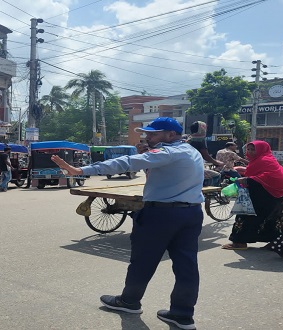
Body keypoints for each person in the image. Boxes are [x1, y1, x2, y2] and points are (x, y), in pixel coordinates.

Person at [52, 117, 204, 330]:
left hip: (161, 215)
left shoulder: (168, 152)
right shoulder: (190, 151)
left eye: (154, 133)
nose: (148, 136)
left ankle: (129, 302)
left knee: (143, 261)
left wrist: (81, 171)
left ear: (171, 135)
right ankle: (183, 314)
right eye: (147, 133)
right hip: (191, 214)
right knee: (187, 265)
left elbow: (126, 162)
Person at [222, 141, 283, 250]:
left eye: (253, 149)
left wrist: (249, 179)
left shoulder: (264, 160)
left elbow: (269, 175)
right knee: (274, 217)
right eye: (249, 149)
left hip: (266, 193)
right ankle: (276, 241)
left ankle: (240, 242)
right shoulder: (266, 159)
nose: (250, 152)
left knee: (246, 215)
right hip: (273, 194)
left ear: (262, 150)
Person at [186, 121, 224, 187]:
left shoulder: (189, 138)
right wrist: (217, 163)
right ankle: (205, 192)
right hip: (194, 168)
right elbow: (206, 156)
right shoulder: (200, 140)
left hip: (186, 166)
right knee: (217, 175)